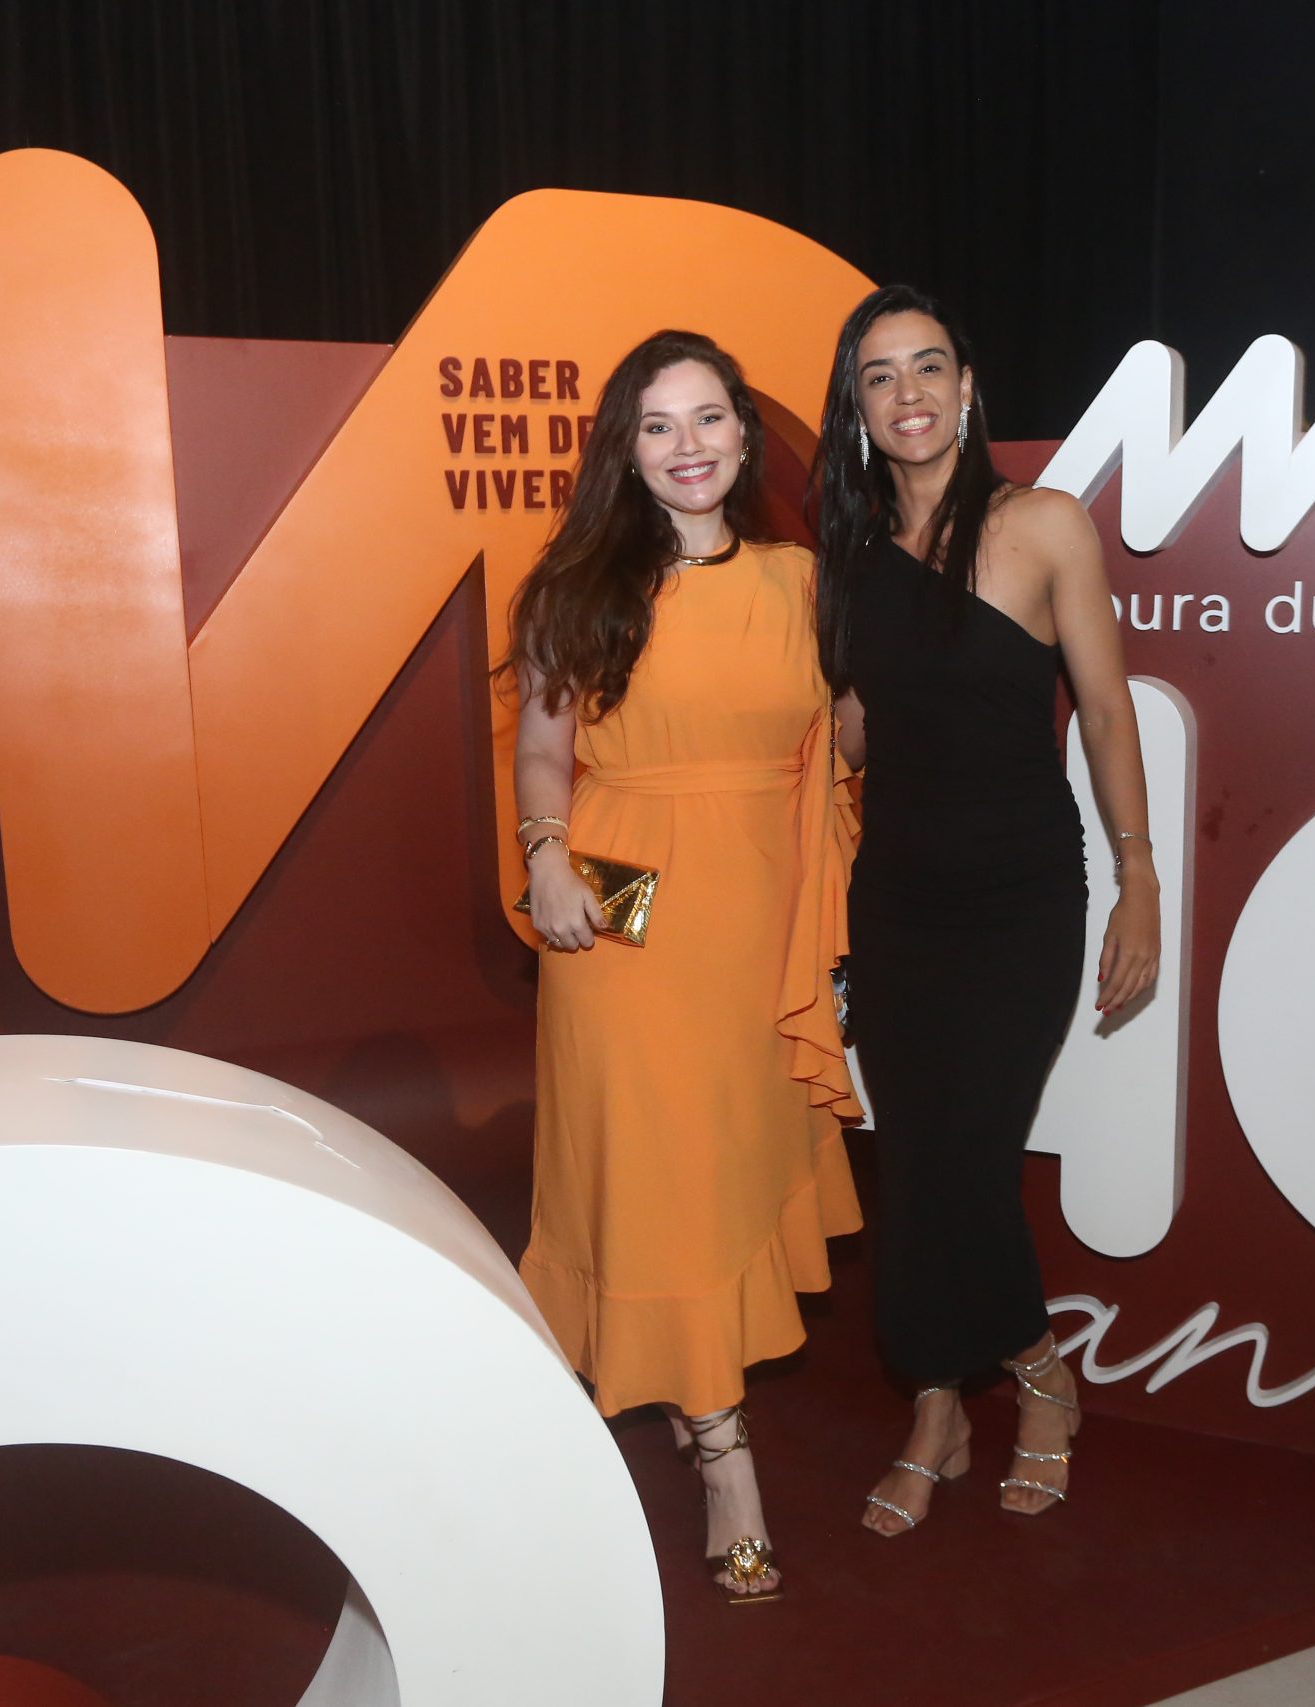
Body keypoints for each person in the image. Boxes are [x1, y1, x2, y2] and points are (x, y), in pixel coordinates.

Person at [501, 330, 860, 1601]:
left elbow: (845, 743)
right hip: (624, 918)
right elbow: (542, 750)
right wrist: (547, 855)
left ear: (744, 438)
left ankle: (678, 1387)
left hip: (758, 929)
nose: (688, 445)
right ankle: (723, 1457)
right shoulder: (575, 588)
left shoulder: (803, 582)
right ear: (625, 448)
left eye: (708, 418)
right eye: (658, 425)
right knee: (657, 1182)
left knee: (720, 1174)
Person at [811, 286, 1160, 1534]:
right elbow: (855, 729)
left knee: (965, 1158)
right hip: (897, 901)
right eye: (879, 377)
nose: (906, 394)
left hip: (1021, 896)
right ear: (856, 409)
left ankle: (1032, 1381)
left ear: (967, 387)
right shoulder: (847, 560)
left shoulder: (1044, 524)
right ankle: (944, 1410)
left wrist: (1140, 877)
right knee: (913, 1164)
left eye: (928, 367)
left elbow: (1105, 712)